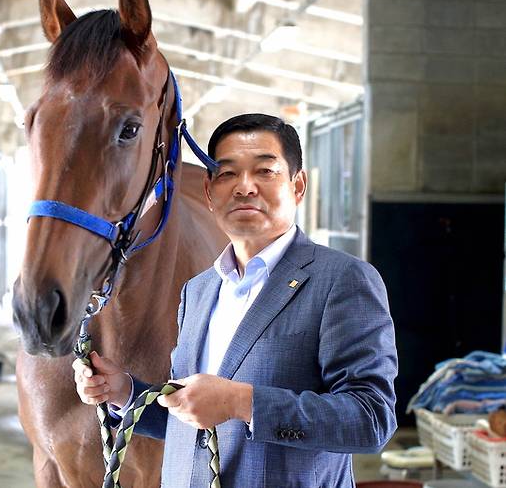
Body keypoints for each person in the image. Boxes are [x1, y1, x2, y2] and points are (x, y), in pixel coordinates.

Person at [73, 113, 398, 487]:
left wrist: (241, 402)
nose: (245, 187)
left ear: (298, 186)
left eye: (265, 171)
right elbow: (195, 418)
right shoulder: (198, 291)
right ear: (209, 192)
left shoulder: (341, 280)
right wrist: (127, 393)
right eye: (227, 174)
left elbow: (371, 420)